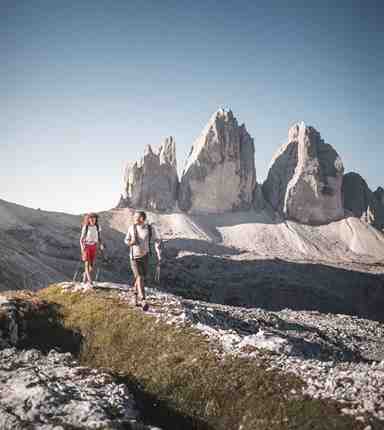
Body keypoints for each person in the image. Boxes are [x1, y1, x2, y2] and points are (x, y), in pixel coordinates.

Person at [125, 211, 162, 311]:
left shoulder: (149, 229)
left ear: (142, 218)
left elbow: (157, 240)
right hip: (134, 257)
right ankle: (143, 300)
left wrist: (159, 253)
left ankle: (134, 297)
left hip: (145, 256)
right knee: (140, 277)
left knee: (140, 278)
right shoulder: (131, 228)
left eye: (136, 217)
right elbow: (126, 240)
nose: (134, 218)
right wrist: (131, 242)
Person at [80, 213, 104, 288]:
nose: (93, 219)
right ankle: (90, 281)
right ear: (88, 219)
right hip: (86, 246)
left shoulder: (98, 227)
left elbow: (99, 237)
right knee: (87, 264)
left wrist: (101, 244)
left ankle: (84, 276)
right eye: (91, 218)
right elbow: (81, 239)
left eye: (94, 218)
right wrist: (82, 248)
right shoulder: (86, 227)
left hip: (94, 246)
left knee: (91, 266)